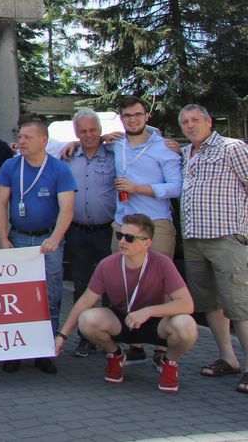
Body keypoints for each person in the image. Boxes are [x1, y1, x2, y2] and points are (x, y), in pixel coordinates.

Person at [54, 214, 198, 393]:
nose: (122, 241)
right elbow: (85, 301)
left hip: (156, 324)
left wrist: (148, 311)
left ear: (147, 243)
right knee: (87, 319)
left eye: (129, 238)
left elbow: (187, 304)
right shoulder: (107, 264)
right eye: (120, 235)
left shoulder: (163, 263)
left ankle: (169, 362)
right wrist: (62, 336)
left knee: (187, 325)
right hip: (122, 321)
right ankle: (115, 354)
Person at [0, 118, 76, 375]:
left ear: (43, 141)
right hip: (18, 239)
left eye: (27, 138)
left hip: (48, 241)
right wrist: (2, 237)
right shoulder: (10, 166)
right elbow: (0, 203)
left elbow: (67, 209)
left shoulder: (59, 169)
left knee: (50, 297)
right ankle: (16, 351)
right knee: (16, 298)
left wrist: (56, 238)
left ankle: (44, 350)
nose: (21, 142)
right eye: (20, 136)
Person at [177, 103, 248, 394]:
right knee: (210, 303)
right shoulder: (186, 153)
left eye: (195, 120)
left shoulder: (232, 148)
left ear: (209, 122)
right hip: (194, 239)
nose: (190, 125)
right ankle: (228, 358)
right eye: (185, 122)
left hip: (225, 238)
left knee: (238, 304)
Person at [111, 96, 182, 367]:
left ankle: (162, 348)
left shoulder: (163, 148)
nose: (133, 120)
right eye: (127, 115)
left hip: (156, 224)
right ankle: (135, 344)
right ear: (121, 118)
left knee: (162, 287)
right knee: (127, 285)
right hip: (123, 224)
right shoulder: (116, 144)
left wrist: (137, 188)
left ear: (146, 116)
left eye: (137, 114)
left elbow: (176, 187)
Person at [63, 109, 117, 358]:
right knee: (81, 286)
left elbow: (147, 135)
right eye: (83, 131)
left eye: (93, 130)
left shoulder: (114, 154)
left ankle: (110, 337)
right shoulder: (68, 156)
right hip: (77, 232)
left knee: (112, 287)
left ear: (100, 130)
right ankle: (86, 338)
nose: (88, 135)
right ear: (76, 133)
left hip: (107, 231)